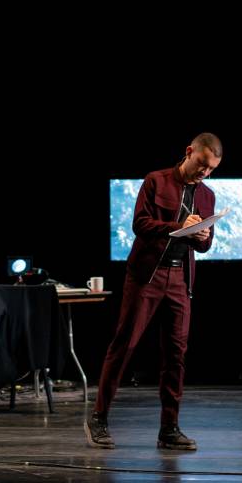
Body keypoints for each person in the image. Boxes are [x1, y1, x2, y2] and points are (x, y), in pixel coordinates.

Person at [86, 133, 220, 450]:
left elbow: (205, 245)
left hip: (180, 280)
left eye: (212, 168)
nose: (205, 173)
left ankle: (169, 429)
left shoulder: (207, 196)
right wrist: (177, 226)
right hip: (146, 276)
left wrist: (201, 238)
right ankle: (99, 418)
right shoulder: (156, 181)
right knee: (125, 345)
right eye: (202, 165)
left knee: (176, 354)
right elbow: (140, 224)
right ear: (189, 152)